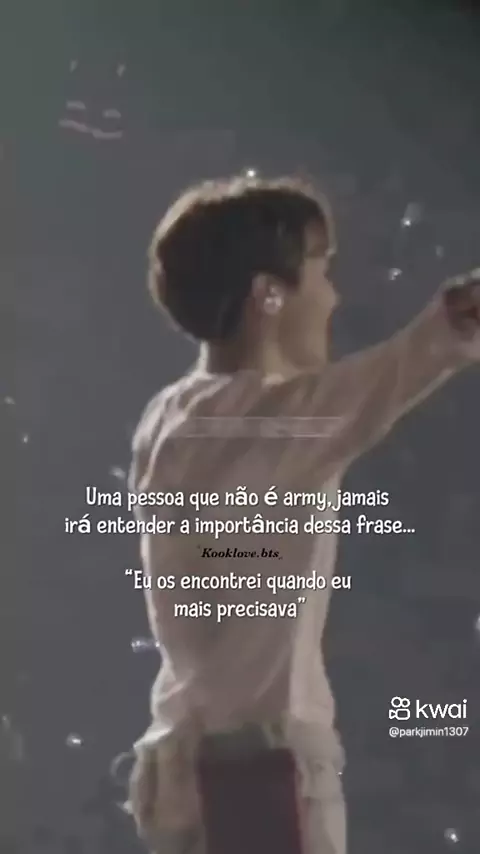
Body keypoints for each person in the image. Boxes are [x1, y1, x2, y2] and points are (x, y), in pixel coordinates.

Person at [127, 175, 480, 854]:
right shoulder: (252, 424)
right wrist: (450, 325)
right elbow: (377, 386)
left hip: (201, 772)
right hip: (257, 785)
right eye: (322, 270)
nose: (334, 296)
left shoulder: (174, 413)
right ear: (269, 295)